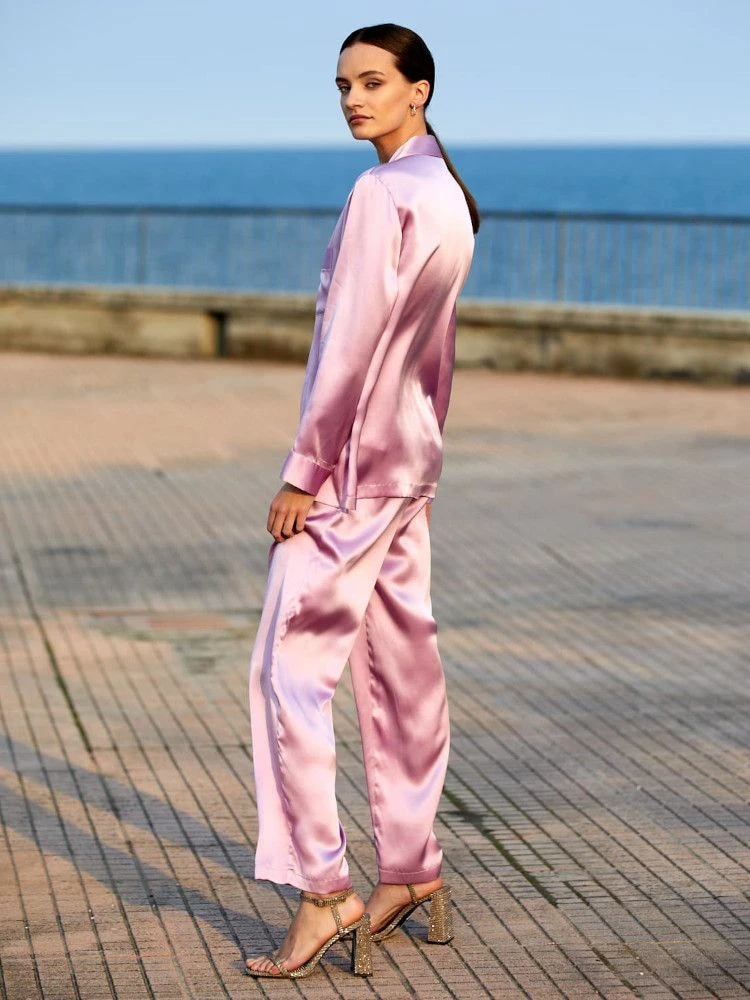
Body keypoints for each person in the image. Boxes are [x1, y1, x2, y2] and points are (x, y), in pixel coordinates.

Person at [245, 22, 479, 980]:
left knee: (288, 672)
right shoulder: (448, 194)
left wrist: (304, 470)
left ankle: (324, 891)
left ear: (419, 90)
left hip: (349, 472)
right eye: (343, 84)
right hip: (410, 462)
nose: (353, 99)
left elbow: (348, 343)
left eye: (373, 82)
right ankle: (413, 869)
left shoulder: (381, 193)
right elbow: (432, 355)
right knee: (403, 666)